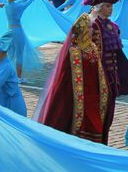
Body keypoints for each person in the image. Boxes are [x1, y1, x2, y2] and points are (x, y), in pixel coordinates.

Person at [34, 13, 111, 143]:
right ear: (83, 31)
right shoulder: (74, 51)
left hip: (94, 95)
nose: (92, 31)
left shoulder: (92, 47)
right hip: (78, 97)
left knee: (95, 125)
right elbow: (66, 77)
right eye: (89, 28)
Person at [83, 0, 128, 144]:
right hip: (98, 75)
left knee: (109, 109)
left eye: (111, 6)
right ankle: (95, 140)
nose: (111, 9)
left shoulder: (112, 26)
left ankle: (104, 139)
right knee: (98, 108)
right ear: (99, 7)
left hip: (112, 74)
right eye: (108, 6)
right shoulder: (93, 26)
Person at [0, 0, 40, 83]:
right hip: (17, 31)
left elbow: (20, 2)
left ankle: (8, 74)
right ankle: (18, 76)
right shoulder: (16, 6)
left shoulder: (7, 5)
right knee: (19, 54)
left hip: (9, 30)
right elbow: (25, 4)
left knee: (10, 54)